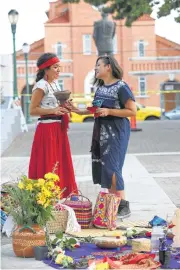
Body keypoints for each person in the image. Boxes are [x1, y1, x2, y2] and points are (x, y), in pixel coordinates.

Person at [70, 56, 137, 218]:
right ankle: (113, 205)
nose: (95, 68)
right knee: (106, 169)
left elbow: (132, 111)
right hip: (101, 132)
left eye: (98, 65)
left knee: (113, 168)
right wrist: (74, 110)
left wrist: (109, 111)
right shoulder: (100, 89)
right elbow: (94, 109)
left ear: (108, 67)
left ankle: (123, 205)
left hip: (117, 132)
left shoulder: (121, 86)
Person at [28, 52, 77, 198]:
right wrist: (53, 110)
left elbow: (56, 104)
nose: (58, 70)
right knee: (49, 162)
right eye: (55, 67)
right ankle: (48, 196)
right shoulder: (41, 86)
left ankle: (62, 193)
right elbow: (32, 110)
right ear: (46, 69)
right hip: (47, 129)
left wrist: (65, 106)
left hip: (58, 129)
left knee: (60, 161)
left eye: (59, 67)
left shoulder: (55, 84)